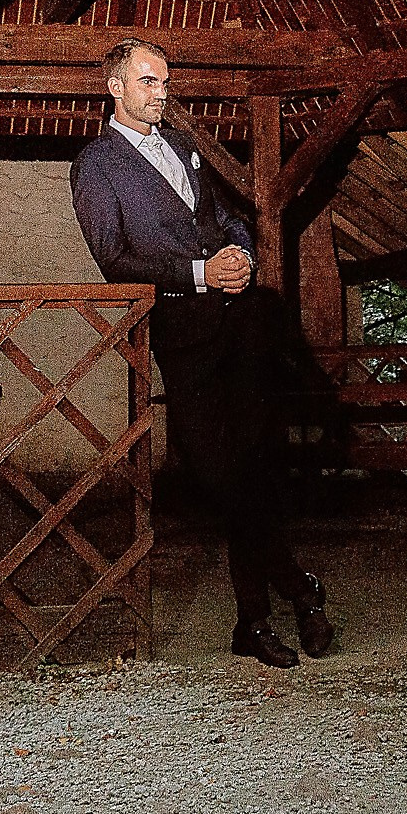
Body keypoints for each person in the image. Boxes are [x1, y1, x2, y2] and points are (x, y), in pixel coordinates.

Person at [71, 37, 334, 668]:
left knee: (251, 467)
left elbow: (227, 217)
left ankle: (254, 622)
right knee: (222, 476)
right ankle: (301, 589)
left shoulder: (186, 149)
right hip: (183, 336)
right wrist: (198, 272)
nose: (161, 90)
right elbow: (114, 258)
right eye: (148, 81)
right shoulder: (96, 164)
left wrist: (239, 254)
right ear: (117, 87)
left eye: (164, 80)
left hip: (242, 329)